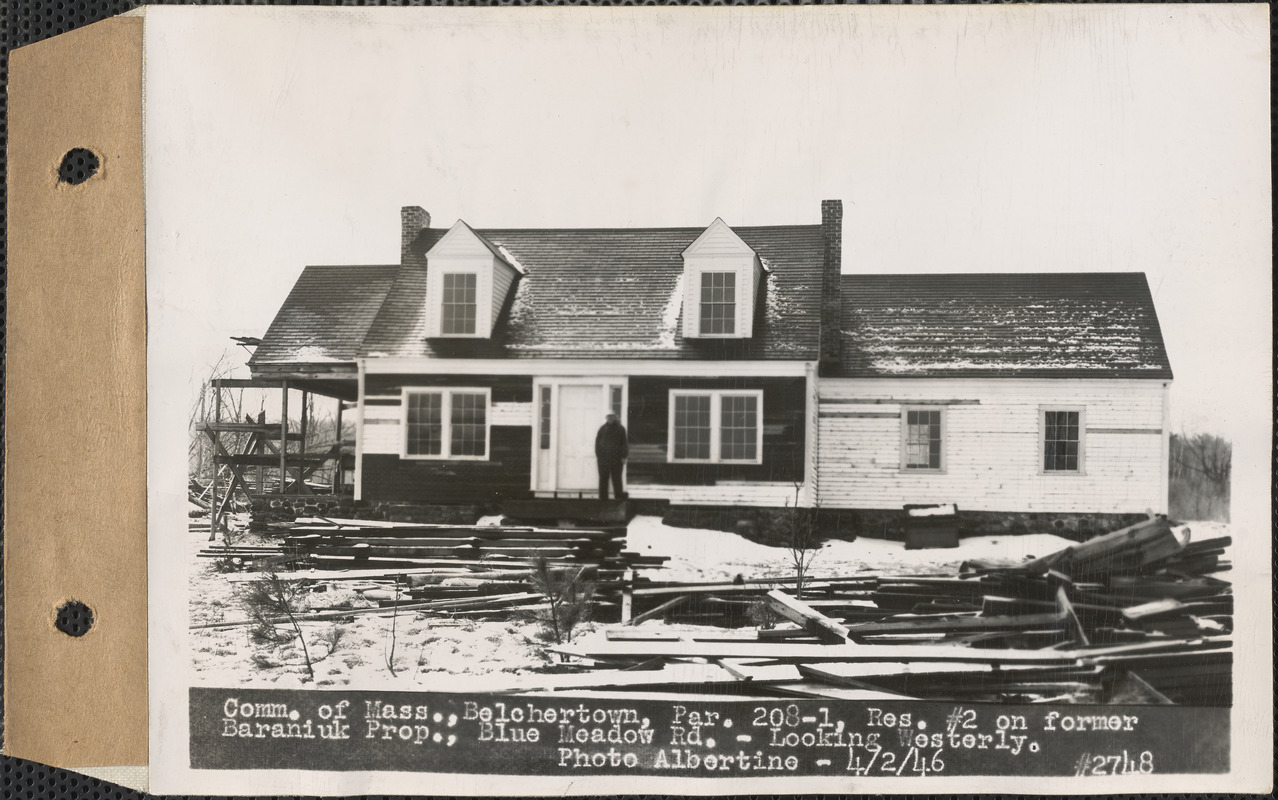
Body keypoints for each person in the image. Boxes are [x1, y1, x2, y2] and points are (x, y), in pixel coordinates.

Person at [595, 412, 628, 501]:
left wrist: (624, 456)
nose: (610, 418)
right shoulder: (602, 429)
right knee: (603, 479)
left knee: (617, 479)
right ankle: (603, 499)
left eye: (612, 416)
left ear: (615, 417)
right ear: (606, 417)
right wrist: (599, 456)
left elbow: (624, 443)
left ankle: (618, 498)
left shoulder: (621, 429)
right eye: (609, 416)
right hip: (603, 459)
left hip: (616, 459)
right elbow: (597, 443)